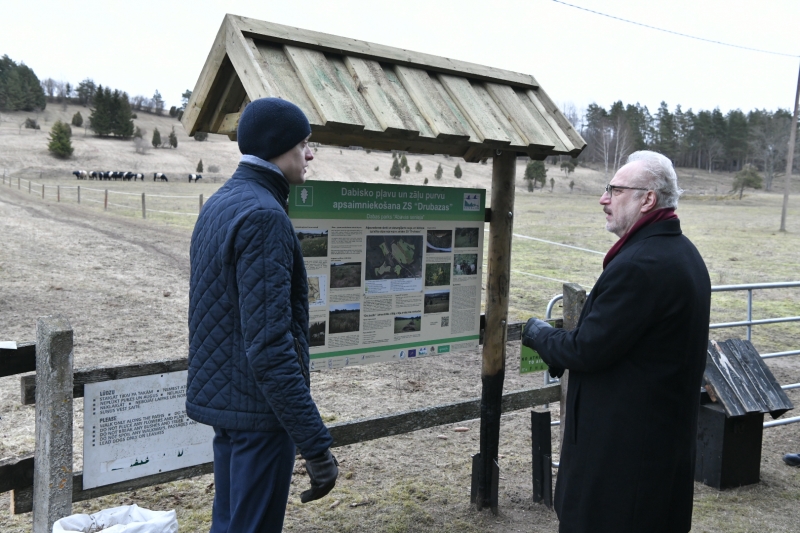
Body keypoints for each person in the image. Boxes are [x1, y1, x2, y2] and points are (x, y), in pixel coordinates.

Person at [522, 151, 711, 533]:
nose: (603, 199)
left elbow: (587, 349)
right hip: (657, 454)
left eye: (615, 190)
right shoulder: (683, 252)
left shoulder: (642, 265)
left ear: (648, 199)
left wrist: (539, 334)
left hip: (623, 467)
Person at [187, 97, 338, 533]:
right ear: (279, 145)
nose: (310, 155)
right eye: (304, 144)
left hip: (230, 409)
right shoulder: (265, 217)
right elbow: (270, 346)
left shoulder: (220, 204)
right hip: (260, 415)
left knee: (230, 525)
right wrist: (315, 446)